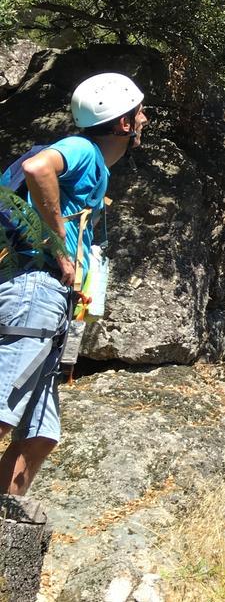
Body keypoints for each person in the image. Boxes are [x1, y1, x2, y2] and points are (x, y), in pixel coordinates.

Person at [0, 72, 147, 495]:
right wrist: (59, 248)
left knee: (40, 436)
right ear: (122, 123)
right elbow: (36, 167)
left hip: (52, 300)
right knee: (4, 411)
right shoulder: (83, 148)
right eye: (139, 113)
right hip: (36, 289)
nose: (145, 121)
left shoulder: (97, 167)